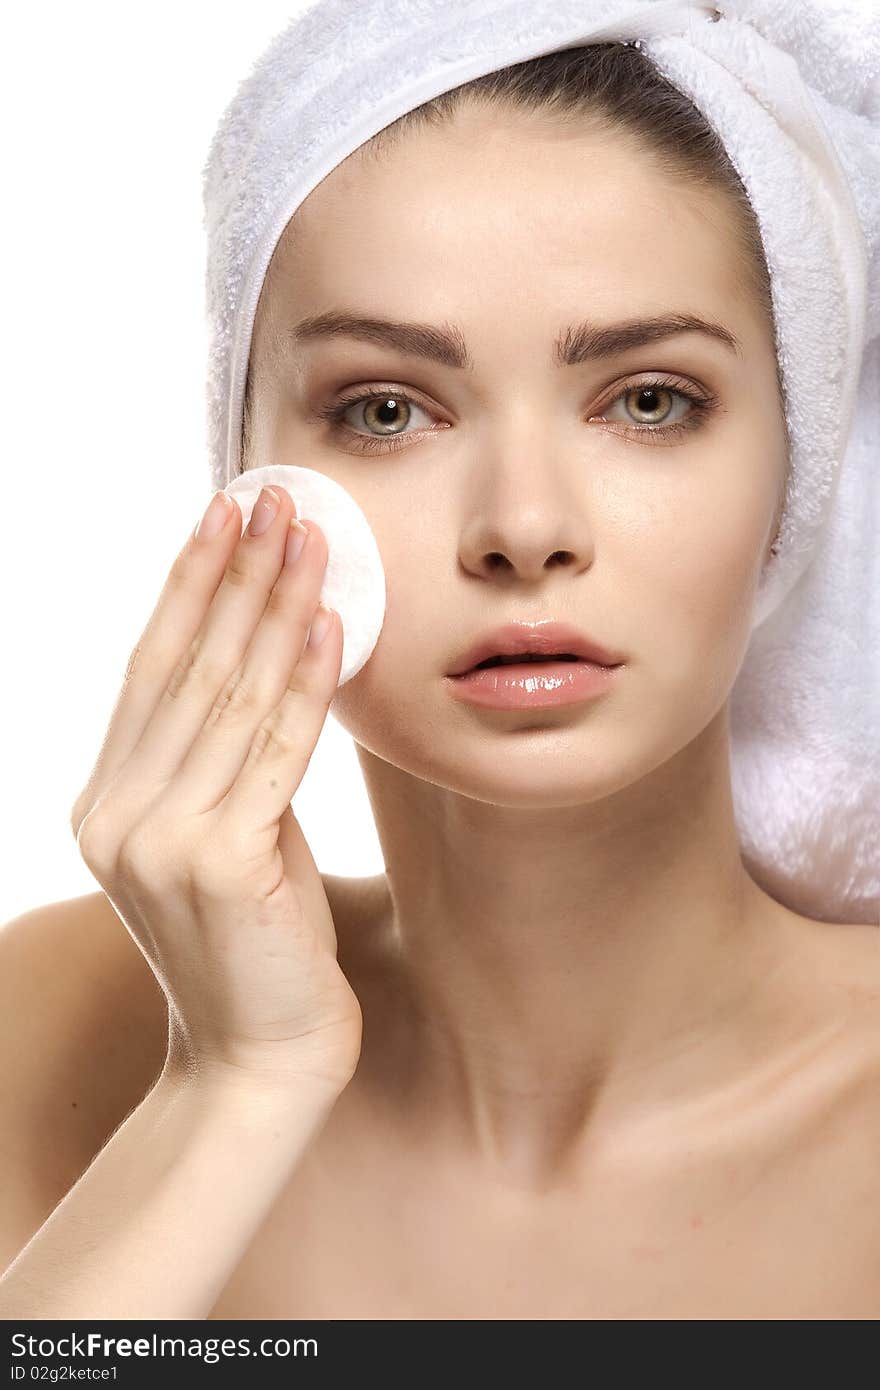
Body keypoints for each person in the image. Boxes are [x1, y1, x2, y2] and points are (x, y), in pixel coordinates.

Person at [0, 40, 877, 1321]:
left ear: (793, 474)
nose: (524, 527)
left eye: (646, 400)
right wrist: (234, 1084)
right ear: (239, 472)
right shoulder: (53, 1031)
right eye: (387, 411)